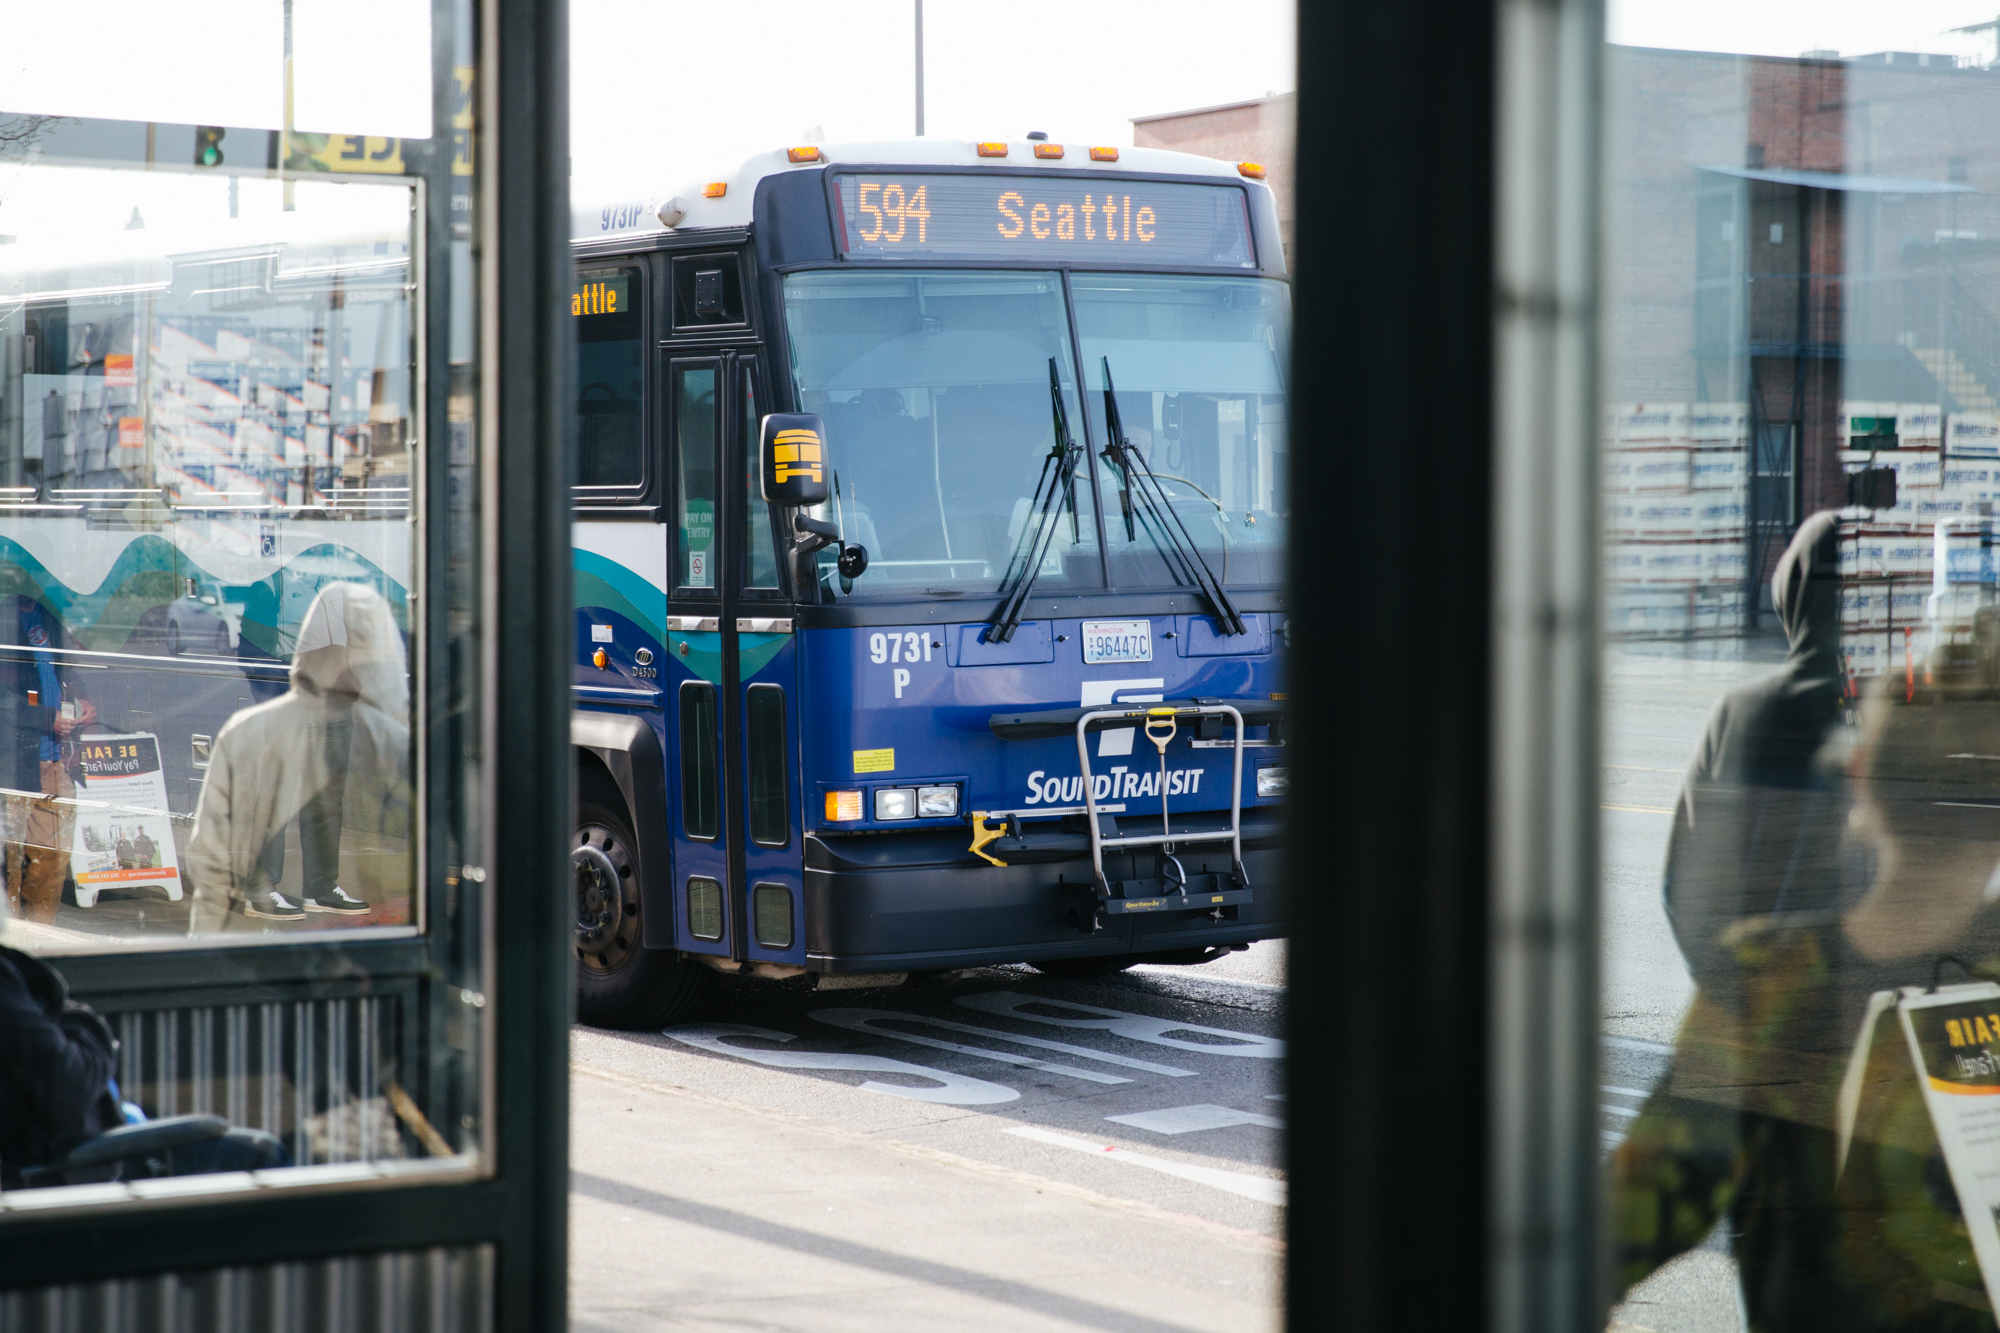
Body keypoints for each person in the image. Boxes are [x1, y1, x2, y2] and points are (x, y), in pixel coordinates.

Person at [186, 583, 411, 929]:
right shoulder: (271, 587)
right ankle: (261, 889)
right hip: (293, 701)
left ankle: (320, 887)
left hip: (337, 705)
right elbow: (252, 650)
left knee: (327, 799)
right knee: (277, 797)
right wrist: (278, 695)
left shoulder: (345, 589)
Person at [1, 598, 96, 923]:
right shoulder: (5, 616)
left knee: (51, 864)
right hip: (13, 765)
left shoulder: (48, 613)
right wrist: (43, 717)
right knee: (9, 867)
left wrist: (80, 697)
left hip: (55, 761)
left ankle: (42, 942)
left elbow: (61, 670)